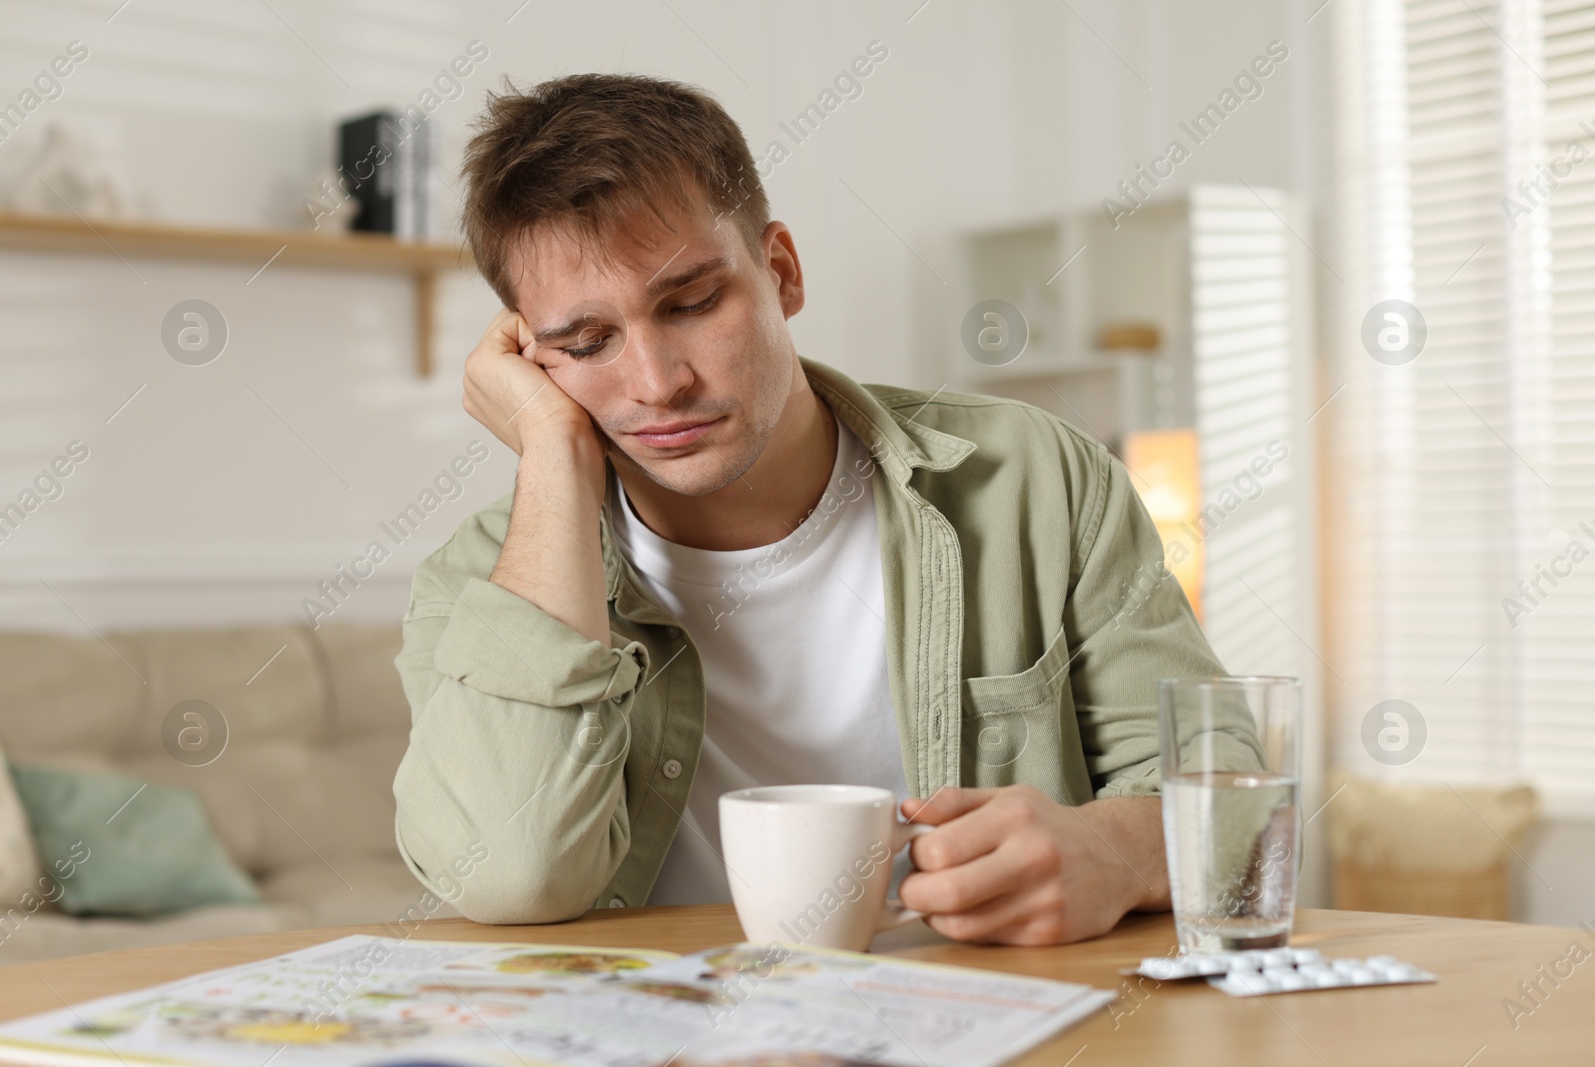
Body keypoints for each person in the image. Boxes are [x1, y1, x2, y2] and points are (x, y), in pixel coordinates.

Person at [392, 72, 1228, 946]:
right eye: (585, 343)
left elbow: (1228, 797)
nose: (658, 383)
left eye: (692, 303)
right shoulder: (477, 579)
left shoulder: (1037, 478)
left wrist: (1115, 846)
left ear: (781, 271)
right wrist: (553, 456)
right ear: (529, 359)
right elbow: (510, 872)